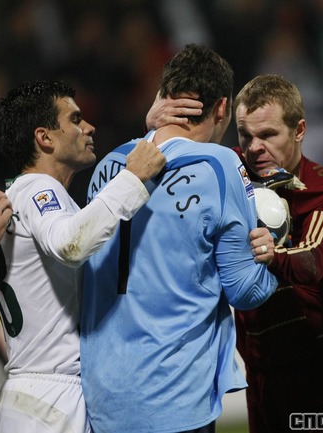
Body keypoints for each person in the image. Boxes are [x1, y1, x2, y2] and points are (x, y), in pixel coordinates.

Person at [147, 74, 323, 433]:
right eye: (245, 135)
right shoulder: (228, 168)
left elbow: (313, 261)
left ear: (299, 130)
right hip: (264, 375)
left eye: (267, 135)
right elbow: (166, 168)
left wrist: (273, 253)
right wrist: (154, 129)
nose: (254, 148)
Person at [80, 44, 278, 433]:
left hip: (104, 397)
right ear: (222, 108)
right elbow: (244, 290)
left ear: (164, 96)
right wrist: (270, 253)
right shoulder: (219, 165)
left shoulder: (108, 165)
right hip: (175, 392)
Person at [0, 80, 166, 433]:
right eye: (75, 119)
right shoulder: (40, 189)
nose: (89, 127)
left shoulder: (16, 198)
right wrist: (132, 178)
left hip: (32, 396)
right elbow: (71, 243)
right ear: (45, 138)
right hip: (50, 396)